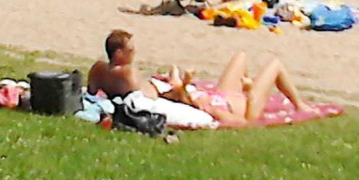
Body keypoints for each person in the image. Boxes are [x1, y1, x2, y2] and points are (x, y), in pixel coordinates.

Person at [168, 52, 313, 127]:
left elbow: (178, 91)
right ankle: (299, 104)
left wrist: (185, 81)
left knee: (240, 56)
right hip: (249, 108)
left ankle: (247, 86)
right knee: (275, 65)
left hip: (223, 94)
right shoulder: (208, 111)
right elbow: (242, 122)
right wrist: (213, 110)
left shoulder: (186, 97)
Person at [86, 30, 164, 99]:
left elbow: (91, 91)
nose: (134, 53)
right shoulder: (128, 73)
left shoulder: (97, 68)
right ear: (119, 53)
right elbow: (152, 96)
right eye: (130, 50)